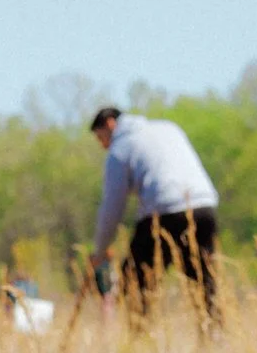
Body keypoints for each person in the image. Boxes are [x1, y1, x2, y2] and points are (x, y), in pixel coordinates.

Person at [88, 107, 221, 324]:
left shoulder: (120, 148)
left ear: (110, 124)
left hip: (165, 211)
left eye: (101, 138)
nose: (103, 145)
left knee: (135, 280)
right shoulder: (168, 128)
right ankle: (214, 335)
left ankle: (140, 337)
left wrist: (100, 251)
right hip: (204, 205)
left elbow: (112, 207)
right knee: (203, 279)